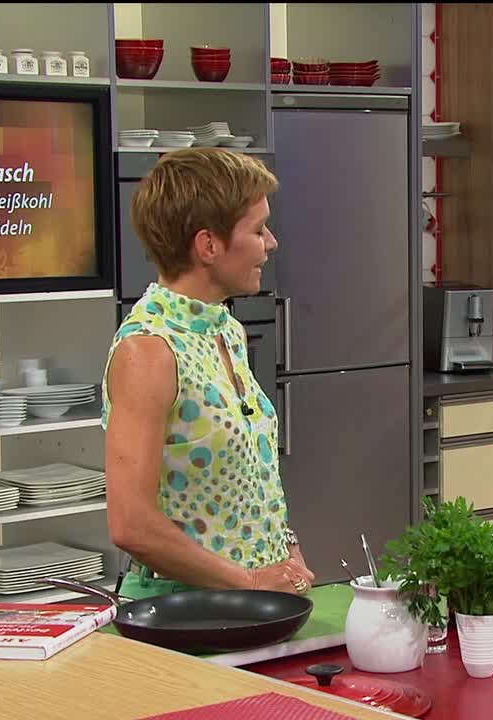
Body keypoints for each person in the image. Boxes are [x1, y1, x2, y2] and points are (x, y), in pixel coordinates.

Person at [102, 148, 314, 598]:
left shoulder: (226, 330)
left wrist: (286, 548)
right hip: (182, 612)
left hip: (250, 604)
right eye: (258, 230)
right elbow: (130, 523)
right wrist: (251, 582)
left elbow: (246, 477)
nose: (271, 243)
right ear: (209, 246)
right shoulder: (148, 351)